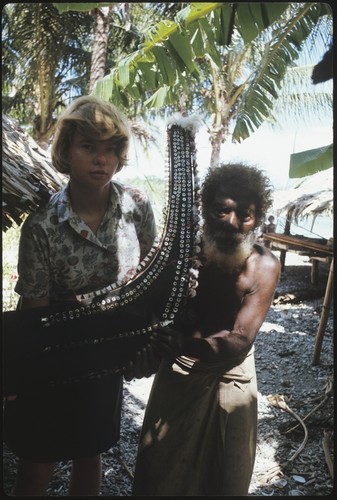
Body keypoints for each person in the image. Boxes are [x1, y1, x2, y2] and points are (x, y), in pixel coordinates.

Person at [3, 95, 161, 496]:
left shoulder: (137, 206)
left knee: (91, 452)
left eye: (111, 149)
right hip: (50, 347)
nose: (101, 159)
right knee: (38, 457)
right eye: (89, 146)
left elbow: (150, 274)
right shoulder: (43, 226)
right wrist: (24, 371)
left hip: (105, 348)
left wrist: (141, 345)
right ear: (66, 151)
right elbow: (36, 313)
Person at [133, 162, 281, 496]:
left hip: (233, 377)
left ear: (258, 219)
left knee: (225, 475)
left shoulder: (264, 265)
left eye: (245, 215)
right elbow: (151, 309)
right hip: (179, 374)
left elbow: (240, 341)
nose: (232, 223)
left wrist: (181, 345)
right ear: (205, 209)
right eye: (221, 211)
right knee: (160, 472)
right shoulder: (182, 254)